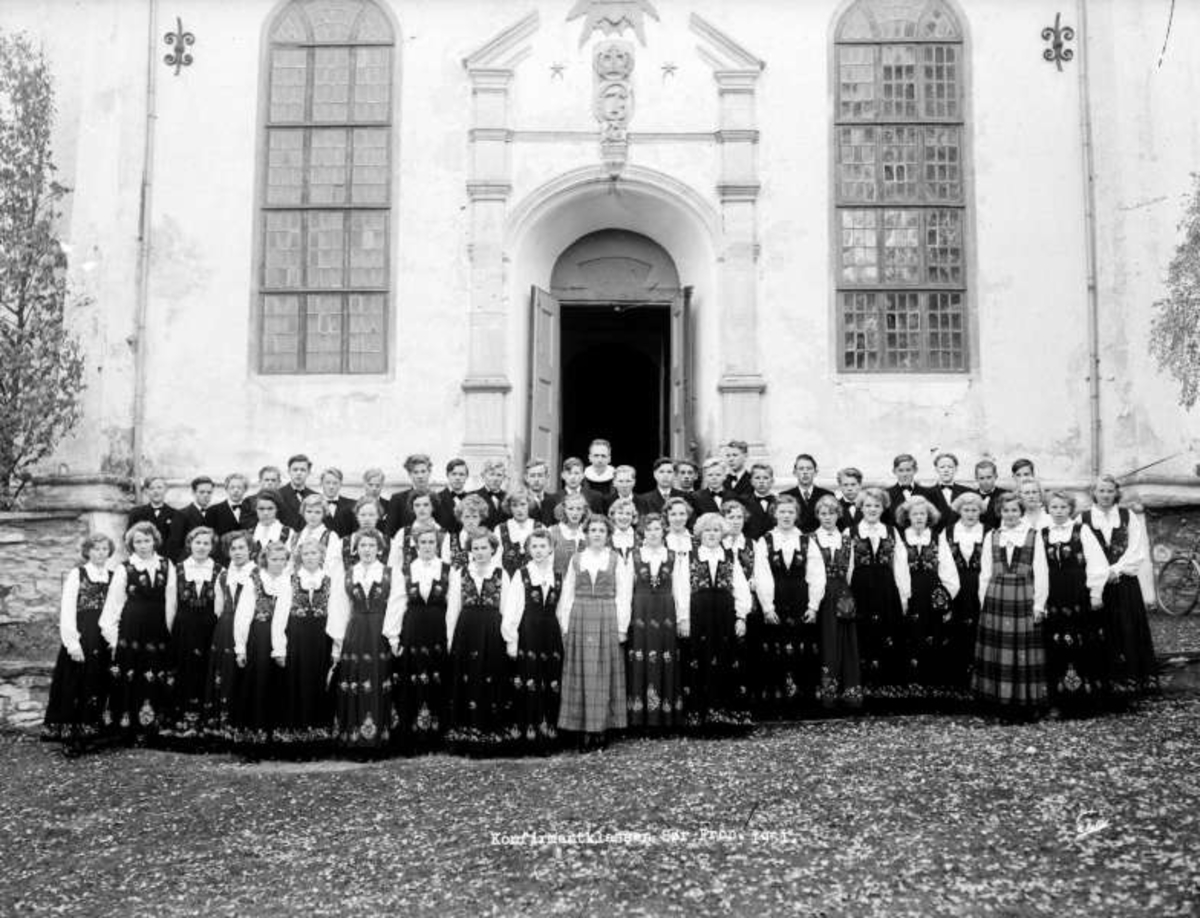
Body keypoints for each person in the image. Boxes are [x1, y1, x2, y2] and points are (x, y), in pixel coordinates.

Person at [557, 515, 631, 749]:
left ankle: (601, 729)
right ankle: (581, 729)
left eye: (601, 530)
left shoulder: (616, 559)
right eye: (593, 530)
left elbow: (624, 594)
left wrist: (621, 627)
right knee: (581, 672)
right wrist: (565, 626)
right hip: (579, 615)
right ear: (586, 534)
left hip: (607, 615)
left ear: (608, 535)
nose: (597, 534)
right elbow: (567, 593)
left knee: (603, 672)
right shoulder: (576, 559)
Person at [973, 492, 1049, 719]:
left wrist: (1039, 605)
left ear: (1021, 512)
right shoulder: (992, 536)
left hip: (1023, 596)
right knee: (999, 650)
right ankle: (998, 704)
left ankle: (1023, 704)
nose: (1010, 515)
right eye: (1006, 511)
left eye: (1014, 510)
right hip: (996, 598)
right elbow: (985, 573)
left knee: (1021, 650)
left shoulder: (1033, 536)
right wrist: (982, 603)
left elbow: (1042, 572)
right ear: (1000, 513)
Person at [1084, 475, 1159, 699]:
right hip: (1099, 584)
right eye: (1101, 491)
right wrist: (1103, 575)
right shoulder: (1084, 519)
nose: (1105, 495)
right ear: (1094, 493)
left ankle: (1133, 681)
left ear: (1116, 493)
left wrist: (1116, 570)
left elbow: (1137, 549)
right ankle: (1107, 684)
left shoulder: (1128, 516)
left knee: (1128, 628)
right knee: (1103, 630)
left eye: (1109, 491)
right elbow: (1084, 552)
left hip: (1125, 583)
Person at [752, 495, 826, 718]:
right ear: (775, 514)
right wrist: (767, 607)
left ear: (797, 515)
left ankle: (804, 702)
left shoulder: (806, 540)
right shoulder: (765, 540)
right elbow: (762, 575)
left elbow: (817, 575)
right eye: (782, 511)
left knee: (803, 649)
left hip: (800, 601)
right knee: (776, 650)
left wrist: (813, 606)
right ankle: (777, 704)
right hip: (777, 601)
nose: (786, 516)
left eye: (790, 512)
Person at [679, 512, 753, 731]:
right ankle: (701, 717)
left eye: (716, 530)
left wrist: (741, 616)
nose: (711, 534)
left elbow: (741, 588)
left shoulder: (730, 556)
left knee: (726, 660)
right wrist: (683, 619)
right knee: (699, 661)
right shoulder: (690, 556)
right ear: (700, 533)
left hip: (724, 616)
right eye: (707, 530)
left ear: (722, 533)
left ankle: (727, 716)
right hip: (699, 616)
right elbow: (681, 589)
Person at [328, 529, 399, 755]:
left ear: (379, 549)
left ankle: (378, 741)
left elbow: (397, 604)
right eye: (362, 546)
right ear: (356, 550)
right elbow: (339, 608)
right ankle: (355, 740)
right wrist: (338, 643)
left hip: (380, 632)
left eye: (371, 546)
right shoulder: (348, 574)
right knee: (356, 680)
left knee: (378, 679)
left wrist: (393, 635)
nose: (367, 550)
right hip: (355, 633)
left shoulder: (390, 573)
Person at [43, 533, 115, 754]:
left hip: (103, 637)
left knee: (98, 683)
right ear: (88, 551)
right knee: (76, 683)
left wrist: (114, 640)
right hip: (83, 635)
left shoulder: (113, 576)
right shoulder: (78, 574)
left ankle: (91, 733)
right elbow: (67, 610)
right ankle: (71, 737)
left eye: (104, 549)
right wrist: (72, 643)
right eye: (96, 549)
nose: (100, 553)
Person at [100, 521, 172, 742]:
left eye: (146, 540)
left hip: (157, 629)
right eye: (138, 541)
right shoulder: (125, 568)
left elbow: (171, 602)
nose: (142, 545)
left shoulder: (167, 565)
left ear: (154, 541)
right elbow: (114, 604)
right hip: (131, 631)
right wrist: (113, 638)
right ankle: (126, 729)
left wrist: (170, 632)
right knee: (130, 674)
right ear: (131, 544)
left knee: (153, 674)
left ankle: (152, 728)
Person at [445, 527, 513, 755]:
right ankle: (466, 736)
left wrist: (508, 639)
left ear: (493, 549)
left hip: (493, 631)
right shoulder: (461, 573)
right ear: (470, 550)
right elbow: (453, 608)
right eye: (476, 548)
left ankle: (491, 734)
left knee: (491, 677)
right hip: (467, 631)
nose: (480, 552)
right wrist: (450, 639)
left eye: (484, 547)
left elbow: (507, 609)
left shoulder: (501, 573)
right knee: (468, 678)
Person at [386, 523, 451, 754]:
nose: (426, 546)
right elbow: (396, 604)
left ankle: (436, 737)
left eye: (431, 542)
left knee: (437, 679)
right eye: (422, 542)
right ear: (415, 544)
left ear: (438, 544)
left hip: (438, 630)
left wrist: (451, 638)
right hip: (412, 631)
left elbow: (452, 606)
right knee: (412, 680)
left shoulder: (447, 569)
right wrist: (393, 638)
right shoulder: (404, 570)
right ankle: (414, 737)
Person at [1042, 489, 1109, 715]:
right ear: (1048, 509)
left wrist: (1095, 593)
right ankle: (1059, 701)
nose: (1059, 511)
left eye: (1063, 507)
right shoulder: (1042, 534)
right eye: (1054, 507)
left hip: (1078, 595)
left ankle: (1086, 701)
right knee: (1056, 646)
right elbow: (1039, 570)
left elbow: (1097, 563)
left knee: (1082, 644)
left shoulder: (1082, 531)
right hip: (1054, 597)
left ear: (1070, 509)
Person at [272, 538, 339, 753]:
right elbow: (279, 617)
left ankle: (319, 742)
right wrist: (279, 648)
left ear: (321, 556)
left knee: (320, 685)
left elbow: (337, 615)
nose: (310, 557)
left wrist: (337, 647)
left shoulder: (330, 581)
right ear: (300, 557)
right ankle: (296, 743)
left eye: (315, 553)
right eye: (306, 553)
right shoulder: (288, 580)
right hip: (297, 642)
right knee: (296, 685)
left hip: (322, 643)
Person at [502, 527, 564, 753]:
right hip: (528, 631)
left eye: (543, 546)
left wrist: (563, 635)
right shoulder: (522, 574)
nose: (538, 551)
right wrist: (511, 639)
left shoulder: (557, 575)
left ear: (550, 549)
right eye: (534, 547)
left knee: (551, 679)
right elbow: (513, 609)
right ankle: (528, 737)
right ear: (528, 550)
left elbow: (562, 609)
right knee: (529, 678)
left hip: (551, 633)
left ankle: (549, 735)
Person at [848, 487, 912, 705]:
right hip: (860, 590)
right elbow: (847, 566)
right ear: (861, 507)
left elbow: (901, 566)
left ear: (883, 507)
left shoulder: (892, 532)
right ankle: (864, 689)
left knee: (887, 635)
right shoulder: (850, 532)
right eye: (868, 505)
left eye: (876, 505)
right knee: (862, 635)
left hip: (886, 590)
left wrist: (903, 596)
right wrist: (847, 596)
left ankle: (887, 692)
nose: (872, 509)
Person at [623, 513, 685, 732]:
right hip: (641, 613)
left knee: (666, 658)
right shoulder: (634, 555)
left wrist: (683, 618)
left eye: (657, 529)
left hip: (666, 613)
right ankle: (641, 719)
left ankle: (665, 719)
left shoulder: (673, 555)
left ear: (664, 531)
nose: (653, 533)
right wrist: (623, 623)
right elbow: (624, 590)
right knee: (640, 659)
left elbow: (680, 588)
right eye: (648, 530)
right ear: (643, 533)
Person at [895, 496, 960, 700]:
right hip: (911, 592)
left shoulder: (937, 537)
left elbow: (948, 568)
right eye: (914, 514)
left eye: (922, 514)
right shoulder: (900, 537)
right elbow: (898, 569)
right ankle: (911, 688)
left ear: (929, 516)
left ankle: (932, 688)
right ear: (907, 517)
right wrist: (903, 597)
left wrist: (946, 596)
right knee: (911, 636)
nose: (919, 517)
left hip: (933, 594)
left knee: (934, 636)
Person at [163, 525, 222, 743]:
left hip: (208, 629)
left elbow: (220, 606)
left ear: (212, 547)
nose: (201, 547)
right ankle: (181, 727)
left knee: (205, 673)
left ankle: (206, 728)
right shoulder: (177, 569)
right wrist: (171, 631)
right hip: (184, 628)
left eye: (206, 543)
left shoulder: (219, 570)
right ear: (190, 544)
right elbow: (171, 603)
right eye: (198, 542)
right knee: (184, 672)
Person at [233, 541, 292, 753]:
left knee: (277, 686)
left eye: (283, 560)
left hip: (282, 637)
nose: (278, 563)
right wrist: (240, 646)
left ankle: (273, 741)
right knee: (257, 683)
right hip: (258, 637)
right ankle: (253, 742)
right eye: (274, 559)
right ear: (266, 559)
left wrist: (280, 647)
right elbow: (243, 615)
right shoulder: (255, 581)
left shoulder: (288, 582)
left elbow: (284, 616)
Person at [204, 530, 255, 745]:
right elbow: (218, 606)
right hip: (225, 627)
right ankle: (224, 730)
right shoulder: (223, 575)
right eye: (233, 548)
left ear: (250, 549)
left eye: (241, 547)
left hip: (249, 628)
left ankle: (244, 728)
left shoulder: (257, 573)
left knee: (245, 676)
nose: (237, 552)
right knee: (224, 674)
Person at [812, 496, 863, 711]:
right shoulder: (810, 539)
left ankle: (848, 693)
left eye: (831, 513)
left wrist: (846, 595)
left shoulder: (846, 540)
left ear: (838, 515)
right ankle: (826, 695)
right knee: (826, 641)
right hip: (822, 595)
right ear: (817, 516)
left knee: (845, 642)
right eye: (823, 513)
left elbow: (850, 571)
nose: (827, 517)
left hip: (842, 594)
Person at [943, 492, 987, 697]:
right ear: (959, 511)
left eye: (974, 510)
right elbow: (941, 563)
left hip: (980, 587)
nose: (970, 514)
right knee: (956, 632)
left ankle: (979, 685)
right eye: (966, 510)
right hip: (955, 588)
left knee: (979, 632)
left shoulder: (988, 532)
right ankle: (956, 685)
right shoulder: (948, 532)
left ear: (980, 511)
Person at [387, 490, 446, 572]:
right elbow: (393, 565)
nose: (421, 508)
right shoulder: (403, 534)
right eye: (417, 505)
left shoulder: (442, 533)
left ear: (433, 507)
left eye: (426, 505)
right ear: (412, 508)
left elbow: (447, 566)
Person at [288, 494, 343, 572]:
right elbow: (288, 564)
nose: (312, 516)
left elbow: (333, 566)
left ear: (323, 514)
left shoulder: (331, 536)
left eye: (317, 512)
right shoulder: (295, 536)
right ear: (303, 513)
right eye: (309, 511)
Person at [780, 453, 834, 534]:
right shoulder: (785, 496)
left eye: (809, 469)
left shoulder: (827, 495)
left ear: (815, 472)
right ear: (795, 472)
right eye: (801, 469)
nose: (805, 472)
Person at [209, 473, 256, 563]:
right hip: (222, 559)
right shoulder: (213, 511)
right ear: (226, 489)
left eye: (239, 487)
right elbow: (211, 538)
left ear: (245, 489)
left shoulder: (252, 510)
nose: (236, 490)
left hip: (247, 559)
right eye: (232, 487)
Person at [167, 476, 216, 562]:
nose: (206, 495)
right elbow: (175, 545)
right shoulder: (181, 514)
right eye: (202, 492)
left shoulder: (216, 513)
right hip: (189, 563)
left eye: (209, 492)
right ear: (193, 492)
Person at [387, 453, 435, 537]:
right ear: (409, 474)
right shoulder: (398, 499)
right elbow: (390, 532)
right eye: (415, 472)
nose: (420, 476)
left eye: (423, 471)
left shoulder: (438, 498)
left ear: (429, 472)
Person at [127, 476, 178, 549]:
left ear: (166, 490)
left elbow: (177, 541)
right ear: (146, 491)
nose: (156, 491)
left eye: (159, 488)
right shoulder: (136, 513)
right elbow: (129, 537)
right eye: (151, 488)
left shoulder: (176, 515)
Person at [883, 454, 932, 528]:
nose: (905, 474)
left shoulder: (928, 493)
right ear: (894, 471)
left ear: (915, 470)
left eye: (908, 470)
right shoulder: (886, 494)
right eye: (901, 470)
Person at [927, 453, 973, 530]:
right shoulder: (927, 493)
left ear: (956, 469)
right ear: (936, 469)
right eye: (942, 467)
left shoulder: (967, 492)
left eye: (950, 467)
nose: (946, 470)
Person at [495, 489, 536, 576]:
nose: (519, 509)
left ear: (529, 505)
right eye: (514, 505)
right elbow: (496, 560)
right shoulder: (500, 529)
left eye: (523, 504)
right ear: (509, 507)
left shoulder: (539, 528)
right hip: (508, 581)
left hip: (534, 581)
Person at [445, 494, 491, 571]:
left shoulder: (488, 537)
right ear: (460, 517)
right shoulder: (450, 538)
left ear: (481, 517)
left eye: (475, 516)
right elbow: (446, 565)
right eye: (467, 516)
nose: (470, 521)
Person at [549, 492, 590, 575]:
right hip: (559, 583)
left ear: (584, 511)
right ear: (564, 510)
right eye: (571, 509)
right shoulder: (552, 532)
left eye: (579, 509)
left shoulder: (589, 532)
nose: (575, 513)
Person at [277, 454, 316, 531]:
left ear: (308, 472)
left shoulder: (315, 496)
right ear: (289, 471)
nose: (299, 473)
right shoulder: (278, 495)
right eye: (295, 470)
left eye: (303, 470)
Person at [344, 497, 384, 569]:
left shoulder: (389, 543)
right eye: (363, 515)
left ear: (378, 516)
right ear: (357, 516)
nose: (367, 519)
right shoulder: (344, 543)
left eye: (371, 515)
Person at [740, 462, 777, 542]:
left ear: (772, 481)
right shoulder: (742, 502)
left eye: (765, 478)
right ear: (751, 481)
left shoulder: (778, 502)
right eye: (757, 478)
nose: (761, 481)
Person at [249, 490, 292, 556]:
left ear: (277, 509)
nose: (265, 513)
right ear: (255, 509)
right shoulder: (249, 534)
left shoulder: (289, 533)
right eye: (261, 509)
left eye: (270, 509)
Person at [433, 459, 471, 533]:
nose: (457, 478)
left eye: (461, 474)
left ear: (467, 476)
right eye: (454, 474)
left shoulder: (472, 500)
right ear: (447, 475)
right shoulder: (436, 499)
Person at [471, 458, 510, 530]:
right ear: (483, 476)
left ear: (504, 478)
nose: (495, 478)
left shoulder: (508, 497)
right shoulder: (473, 497)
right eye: (491, 474)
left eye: (499, 475)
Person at [319, 468, 358, 539]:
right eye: (327, 483)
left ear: (341, 484)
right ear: (321, 483)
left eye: (335, 483)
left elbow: (356, 532)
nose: (331, 486)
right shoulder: (313, 505)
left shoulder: (353, 505)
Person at [974, 458, 1007, 530]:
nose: (985, 481)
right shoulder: (971, 496)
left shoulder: (1005, 495)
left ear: (995, 476)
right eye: (982, 478)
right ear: (976, 478)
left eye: (989, 477)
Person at [523, 458, 557, 526]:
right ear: (526, 478)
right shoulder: (521, 500)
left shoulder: (552, 501)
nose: (536, 479)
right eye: (532, 476)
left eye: (540, 475)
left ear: (547, 477)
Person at [608, 496, 639, 560]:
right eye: (620, 513)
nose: (624, 517)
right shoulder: (606, 538)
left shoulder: (640, 538)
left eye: (628, 514)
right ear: (613, 515)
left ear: (633, 517)